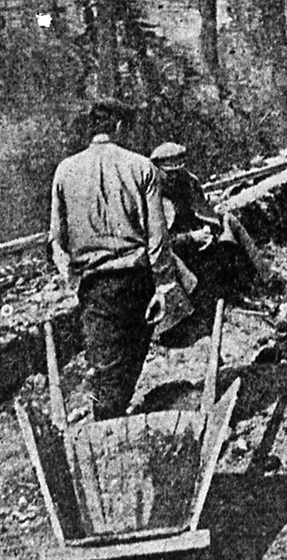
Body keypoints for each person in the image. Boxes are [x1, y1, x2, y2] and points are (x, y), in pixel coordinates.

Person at [49, 100, 188, 420]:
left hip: (94, 284)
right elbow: (158, 236)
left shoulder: (65, 170)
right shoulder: (142, 167)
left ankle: (107, 418)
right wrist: (165, 285)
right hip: (136, 280)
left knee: (106, 365)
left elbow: (56, 240)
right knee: (129, 361)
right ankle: (110, 423)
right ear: (120, 128)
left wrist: (73, 279)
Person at [149, 141, 271, 306]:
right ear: (157, 169)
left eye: (178, 171)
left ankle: (265, 278)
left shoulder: (188, 183)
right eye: (169, 173)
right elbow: (160, 241)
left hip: (199, 237)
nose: (175, 177)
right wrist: (192, 237)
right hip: (178, 249)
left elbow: (205, 212)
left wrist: (209, 230)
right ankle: (231, 294)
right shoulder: (152, 195)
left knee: (229, 221)